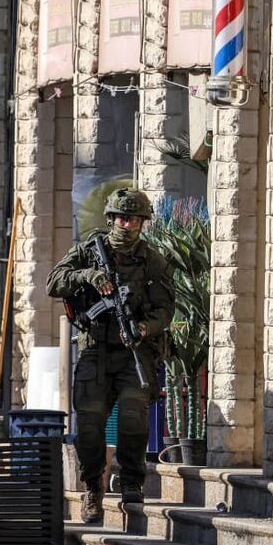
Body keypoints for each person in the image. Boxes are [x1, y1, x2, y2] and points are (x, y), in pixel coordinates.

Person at [47, 188, 175, 524]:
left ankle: (132, 482)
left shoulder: (152, 260)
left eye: (133, 218)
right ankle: (93, 489)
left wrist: (144, 329)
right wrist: (88, 276)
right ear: (110, 219)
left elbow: (165, 310)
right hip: (95, 351)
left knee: (134, 419)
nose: (126, 224)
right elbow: (54, 282)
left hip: (134, 351)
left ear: (142, 223)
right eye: (121, 217)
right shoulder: (88, 252)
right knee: (89, 426)